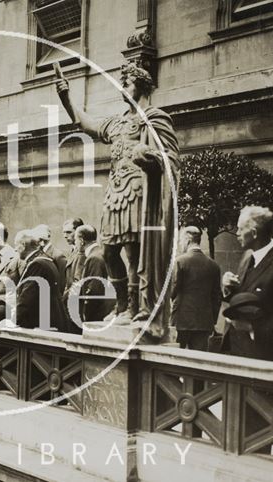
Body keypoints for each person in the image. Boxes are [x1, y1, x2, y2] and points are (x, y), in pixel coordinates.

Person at [56, 62, 179, 339]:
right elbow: (85, 123)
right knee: (110, 250)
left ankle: (134, 307)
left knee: (134, 252)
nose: (122, 86)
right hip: (116, 193)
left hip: (139, 191)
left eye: (127, 82)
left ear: (142, 86)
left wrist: (148, 156)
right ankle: (122, 304)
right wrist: (66, 97)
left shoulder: (155, 118)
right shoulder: (118, 121)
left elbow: (171, 158)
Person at [222, 206, 273, 362]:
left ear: (254, 233)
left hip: (260, 356)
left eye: (240, 229)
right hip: (235, 349)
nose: (237, 234)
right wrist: (227, 287)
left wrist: (251, 327)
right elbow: (245, 297)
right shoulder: (247, 256)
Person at [170, 226, 221, 351]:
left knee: (176, 359)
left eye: (181, 241)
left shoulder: (180, 262)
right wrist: (212, 320)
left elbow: (172, 291)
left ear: (187, 240)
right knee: (199, 360)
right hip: (204, 322)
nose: (180, 244)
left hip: (181, 321)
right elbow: (217, 297)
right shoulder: (213, 265)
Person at [12, 229, 72, 332]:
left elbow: (27, 299)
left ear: (23, 244)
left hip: (42, 324)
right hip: (52, 320)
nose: (15, 249)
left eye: (16, 245)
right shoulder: (47, 259)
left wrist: (13, 320)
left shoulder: (37, 264)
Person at [68, 224, 112, 328]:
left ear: (82, 240)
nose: (75, 243)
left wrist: (86, 315)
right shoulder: (99, 253)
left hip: (96, 316)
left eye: (76, 239)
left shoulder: (94, 258)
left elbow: (94, 290)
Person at [34, 224, 67, 294]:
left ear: (48, 237)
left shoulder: (58, 256)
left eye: (42, 238)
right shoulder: (37, 254)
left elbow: (62, 282)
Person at [62, 217, 85, 299]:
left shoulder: (83, 252)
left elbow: (78, 282)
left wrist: (63, 298)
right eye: (64, 232)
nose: (65, 236)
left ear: (79, 232)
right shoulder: (73, 250)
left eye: (68, 232)